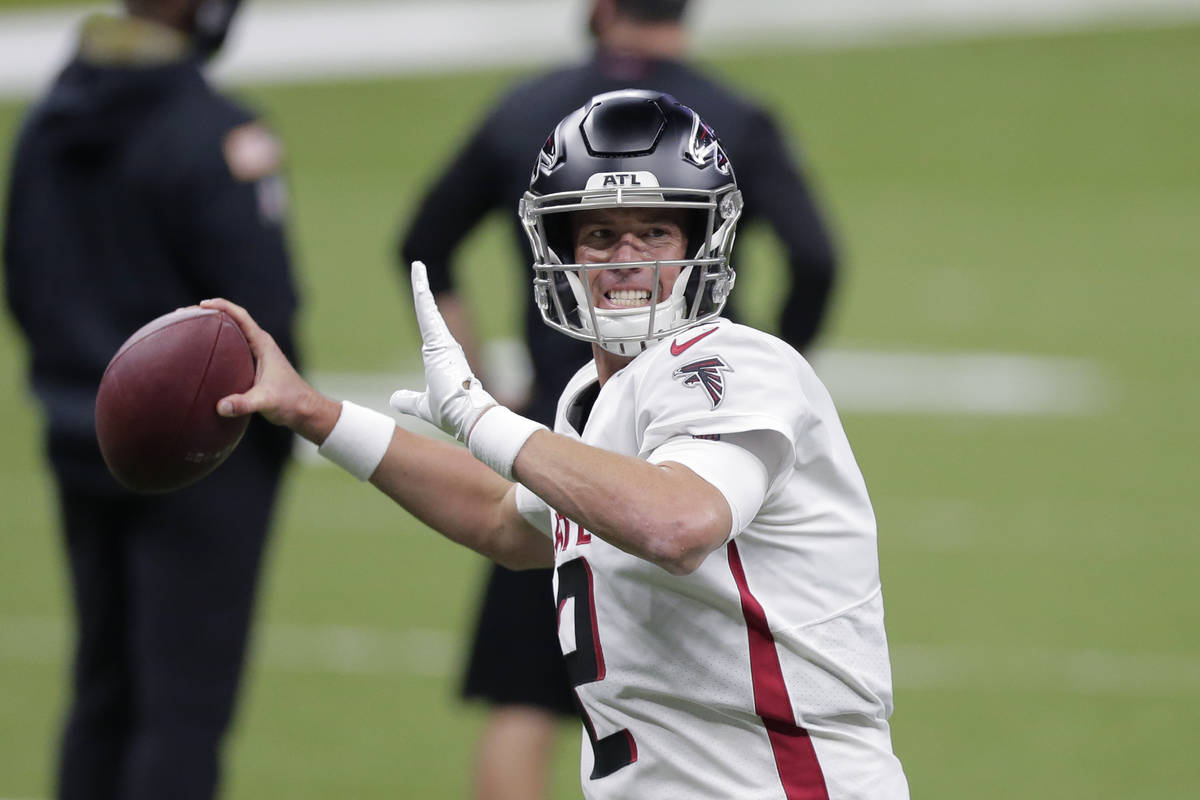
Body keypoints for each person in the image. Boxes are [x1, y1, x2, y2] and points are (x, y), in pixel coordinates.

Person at [212, 90, 906, 799]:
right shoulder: (593, 403)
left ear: (701, 243)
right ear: (560, 249)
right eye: (600, 236)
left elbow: (677, 523)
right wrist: (318, 415)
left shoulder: (736, 364)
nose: (625, 260)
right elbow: (503, 519)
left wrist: (482, 419)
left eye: (655, 235)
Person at [399, 3, 839, 793]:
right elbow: (817, 257)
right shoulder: (726, 115)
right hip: (690, 428)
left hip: (547, 434)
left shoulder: (528, 111)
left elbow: (423, 248)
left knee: (524, 701)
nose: (625, 256)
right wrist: (769, 369)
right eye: (600, 235)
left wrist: (483, 398)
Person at [2, 2, 300, 798]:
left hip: (78, 434)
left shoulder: (45, 125)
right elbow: (266, 309)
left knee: (102, 688)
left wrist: (76, 390)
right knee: (185, 708)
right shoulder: (217, 135)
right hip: (207, 453)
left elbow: (22, 278)